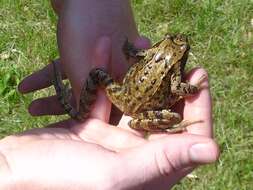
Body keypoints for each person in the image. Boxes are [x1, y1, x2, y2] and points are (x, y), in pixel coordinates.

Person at [0, 1, 219, 189]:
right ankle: (169, 126)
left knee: (97, 73)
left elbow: (132, 52)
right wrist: (194, 88)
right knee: (176, 117)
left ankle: (81, 103)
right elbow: (178, 89)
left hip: (122, 96)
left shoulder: (150, 51)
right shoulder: (170, 70)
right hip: (142, 110)